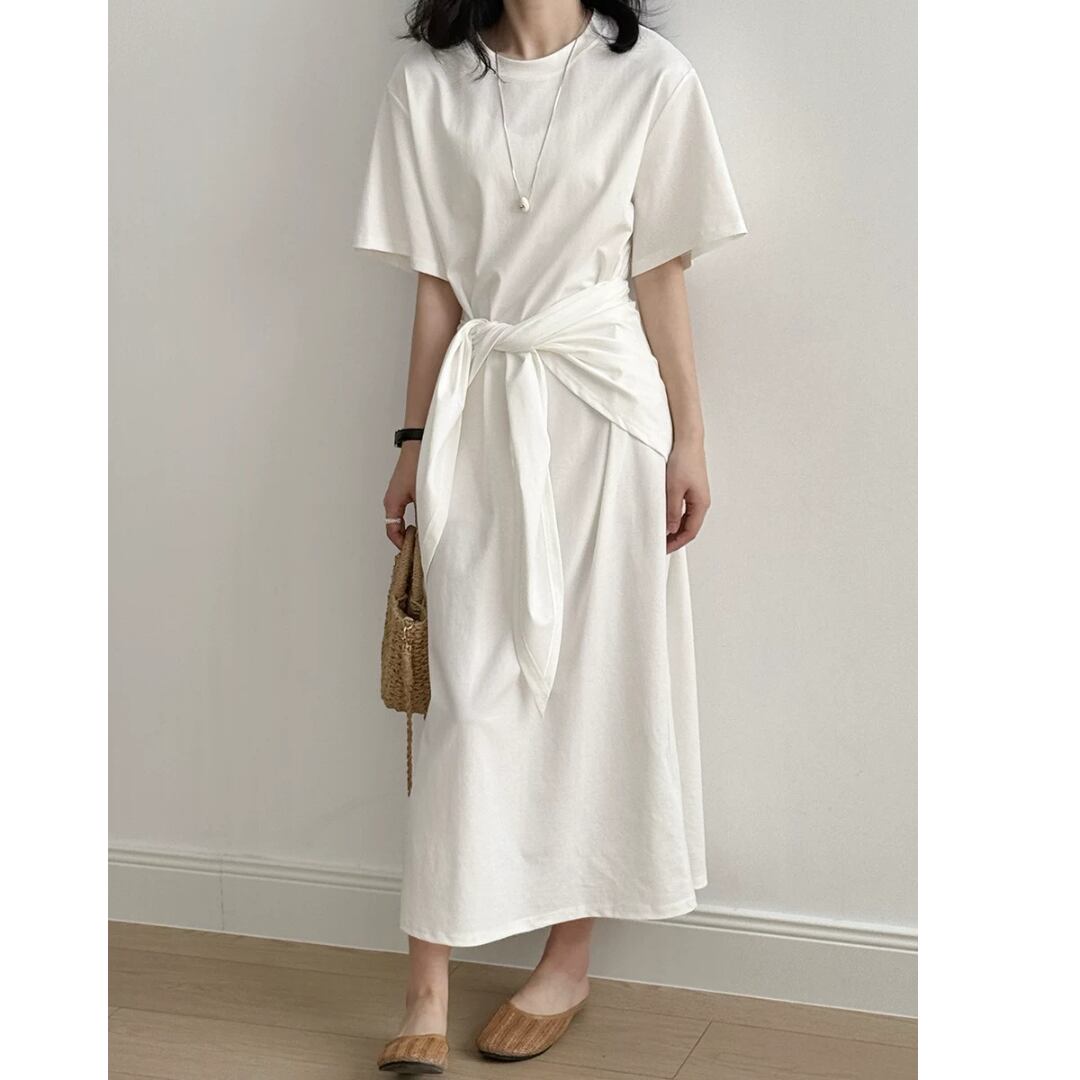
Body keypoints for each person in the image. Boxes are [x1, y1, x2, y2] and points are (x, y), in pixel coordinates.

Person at [354, 0, 746, 1072]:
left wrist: (690, 439)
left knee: (596, 686)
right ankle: (425, 984)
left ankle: (567, 959)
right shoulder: (427, 89)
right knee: (467, 698)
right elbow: (438, 291)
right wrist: (411, 441)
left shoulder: (651, 78)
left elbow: (659, 273)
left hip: (608, 415)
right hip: (483, 413)